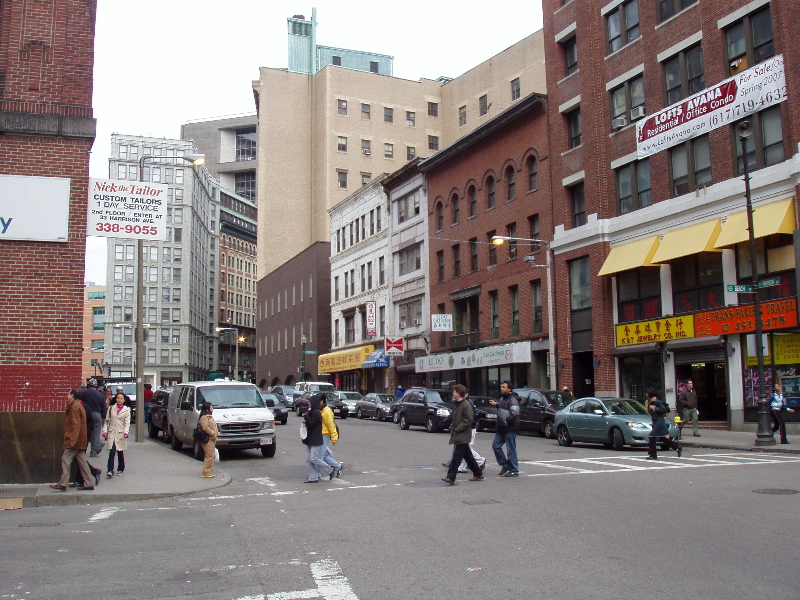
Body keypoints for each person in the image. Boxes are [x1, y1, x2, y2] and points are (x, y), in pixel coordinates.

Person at [50, 389, 95, 491]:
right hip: (80, 439)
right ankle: (89, 483)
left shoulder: (74, 407)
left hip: (75, 440)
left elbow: (76, 425)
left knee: (65, 459)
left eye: (68, 394)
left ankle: (62, 483)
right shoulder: (78, 405)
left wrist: (73, 439)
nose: (67, 396)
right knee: (82, 462)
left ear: (73, 396)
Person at [442, 384, 485, 485]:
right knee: (468, 455)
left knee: (457, 456)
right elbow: (453, 416)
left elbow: (469, 419)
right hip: (459, 433)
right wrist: (446, 422)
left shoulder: (466, 404)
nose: (453, 393)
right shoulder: (457, 404)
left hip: (463, 434)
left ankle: (451, 476)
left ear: (459, 393)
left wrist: (458, 428)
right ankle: (478, 473)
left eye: (454, 392)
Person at [489, 381, 521, 477]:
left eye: (503, 387)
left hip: (509, 428)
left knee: (511, 449)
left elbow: (515, 414)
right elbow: (503, 408)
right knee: (496, 446)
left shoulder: (512, 400)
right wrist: (496, 404)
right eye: (501, 387)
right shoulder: (504, 398)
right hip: (501, 427)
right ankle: (505, 465)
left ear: (509, 389)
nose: (501, 388)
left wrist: (507, 422)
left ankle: (514, 470)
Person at [302, 394, 334, 483]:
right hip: (310, 438)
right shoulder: (311, 411)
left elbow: (311, 423)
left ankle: (330, 469)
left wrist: (307, 416)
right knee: (308, 459)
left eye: (310, 402)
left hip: (316, 439)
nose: (308, 404)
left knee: (314, 458)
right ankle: (313, 477)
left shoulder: (316, 412)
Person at [645, 389, 682, 460]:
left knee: (651, 437)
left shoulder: (656, 401)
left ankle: (653, 455)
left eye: (647, 393)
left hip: (659, 422)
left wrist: (655, 408)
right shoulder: (649, 402)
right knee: (662, 438)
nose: (646, 394)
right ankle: (677, 447)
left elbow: (664, 409)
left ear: (650, 394)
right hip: (655, 422)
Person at [102, 392, 131, 477]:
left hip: (120, 434)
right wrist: (105, 431)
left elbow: (127, 423)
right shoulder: (111, 408)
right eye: (118, 398)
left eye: (121, 399)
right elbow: (107, 421)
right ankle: (110, 470)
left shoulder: (126, 410)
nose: (119, 400)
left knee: (120, 452)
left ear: (124, 400)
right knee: (112, 452)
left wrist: (126, 432)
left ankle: (120, 468)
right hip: (112, 433)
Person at [319, 395, 343, 478]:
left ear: (322, 401)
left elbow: (331, 425)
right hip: (320, 435)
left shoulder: (327, 411)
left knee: (319, 457)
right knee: (323, 455)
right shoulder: (321, 410)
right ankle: (338, 466)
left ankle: (317, 474)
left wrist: (334, 437)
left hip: (324, 435)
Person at [83, 378, 107, 457]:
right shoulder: (100, 395)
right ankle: (94, 450)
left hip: (86, 414)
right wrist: (104, 418)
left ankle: (94, 447)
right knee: (96, 433)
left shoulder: (84, 393)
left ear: (88, 385)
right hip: (97, 415)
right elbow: (104, 407)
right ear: (96, 386)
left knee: (87, 432)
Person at [198, 402, 218, 478]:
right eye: (211, 407)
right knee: (209, 456)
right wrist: (212, 433)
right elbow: (205, 427)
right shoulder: (204, 417)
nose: (212, 409)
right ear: (207, 409)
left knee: (211, 456)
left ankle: (210, 471)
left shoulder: (210, 417)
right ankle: (206, 472)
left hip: (212, 439)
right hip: (208, 439)